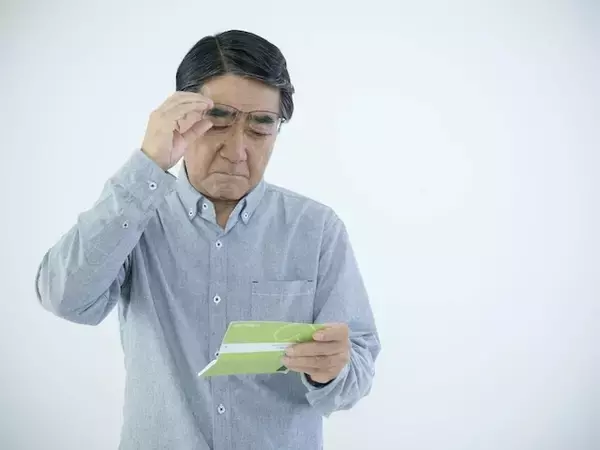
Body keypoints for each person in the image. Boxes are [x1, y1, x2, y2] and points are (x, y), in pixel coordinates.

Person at [35, 29, 381, 450]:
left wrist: (332, 370)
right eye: (218, 120)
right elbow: (64, 297)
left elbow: (357, 368)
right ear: (180, 116)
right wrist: (148, 163)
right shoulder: (135, 216)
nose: (236, 151)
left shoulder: (317, 229)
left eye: (260, 126)